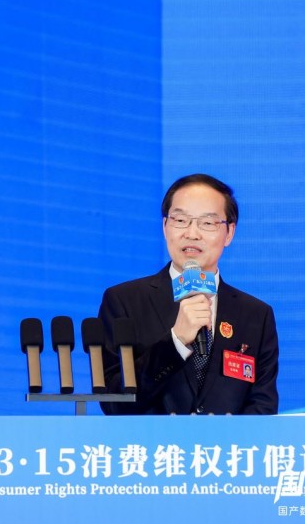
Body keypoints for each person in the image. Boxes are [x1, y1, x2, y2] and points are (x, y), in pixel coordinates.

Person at [98, 174, 279, 415]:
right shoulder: (124, 302)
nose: (192, 233)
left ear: (229, 233)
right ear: (165, 227)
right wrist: (176, 342)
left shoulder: (256, 315)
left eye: (207, 223)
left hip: (228, 441)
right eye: (181, 220)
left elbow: (262, 407)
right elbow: (114, 402)